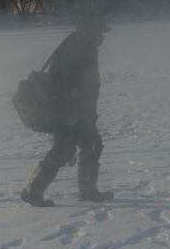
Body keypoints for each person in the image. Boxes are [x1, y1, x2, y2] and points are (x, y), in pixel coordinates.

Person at [21, 11, 114, 206]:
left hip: (74, 111)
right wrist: (74, 112)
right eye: (100, 31)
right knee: (70, 147)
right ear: (90, 30)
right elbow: (66, 83)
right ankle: (34, 191)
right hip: (71, 111)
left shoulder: (80, 45)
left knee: (84, 145)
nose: (102, 36)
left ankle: (38, 190)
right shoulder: (79, 48)